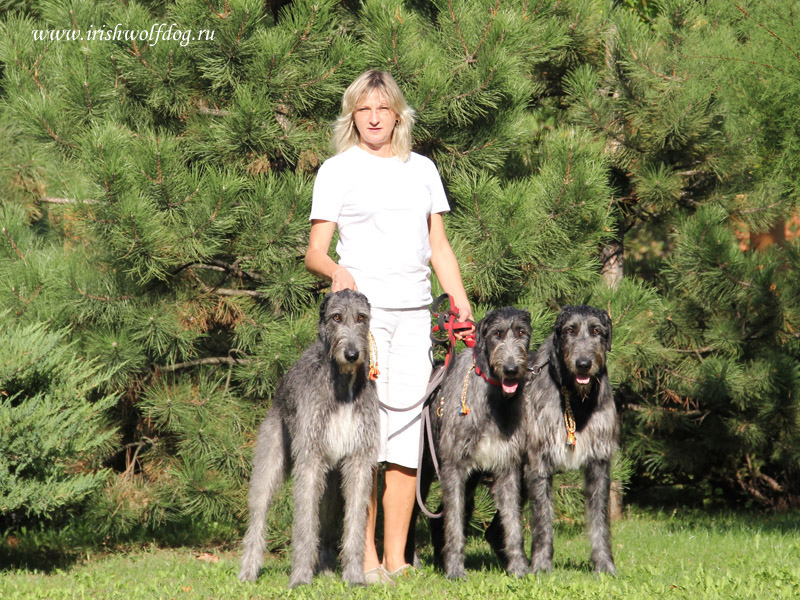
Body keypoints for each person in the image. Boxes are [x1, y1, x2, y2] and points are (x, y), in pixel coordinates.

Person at [304, 70, 473, 583]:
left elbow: (437, 246)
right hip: (363, 327)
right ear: (352, 116)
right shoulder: (337, 170)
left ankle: (396, 559)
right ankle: (365, 558)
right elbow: (314, 250)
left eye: (383, 108)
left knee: (404, 440)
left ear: (398, 113)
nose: (374, 118)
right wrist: (337, 271)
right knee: (367, 444)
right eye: (363, 109)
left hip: (416, 316)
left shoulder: (422, 168)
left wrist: (460, 303)